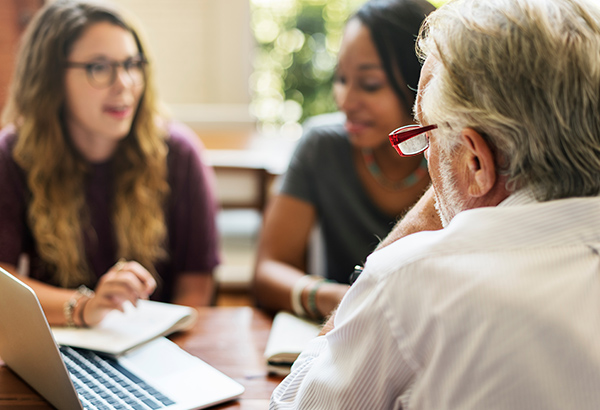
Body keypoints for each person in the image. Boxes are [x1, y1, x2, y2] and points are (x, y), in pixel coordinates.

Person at [270, 0, 600, 408]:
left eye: (426, 131)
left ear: (476, 161)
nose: (426, 155)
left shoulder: (409, 281)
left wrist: (421, 223)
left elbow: (294, 404)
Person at [0, 0, 220, 328]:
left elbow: (197, 287)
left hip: (158, 346)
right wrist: (85, 307)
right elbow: (4, 283)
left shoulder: (180, 154)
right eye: (99, 67)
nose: (124, 83)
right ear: (51, 78)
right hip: (63, 342)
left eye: (132, 64)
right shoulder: (13, 155)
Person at [253, 0, 436, 320]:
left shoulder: (455, 157)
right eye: (341, 79)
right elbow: (268, 270)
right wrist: (333, 297)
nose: (346, 100)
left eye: (369, 84)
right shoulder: (321, 146)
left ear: (420, 83)